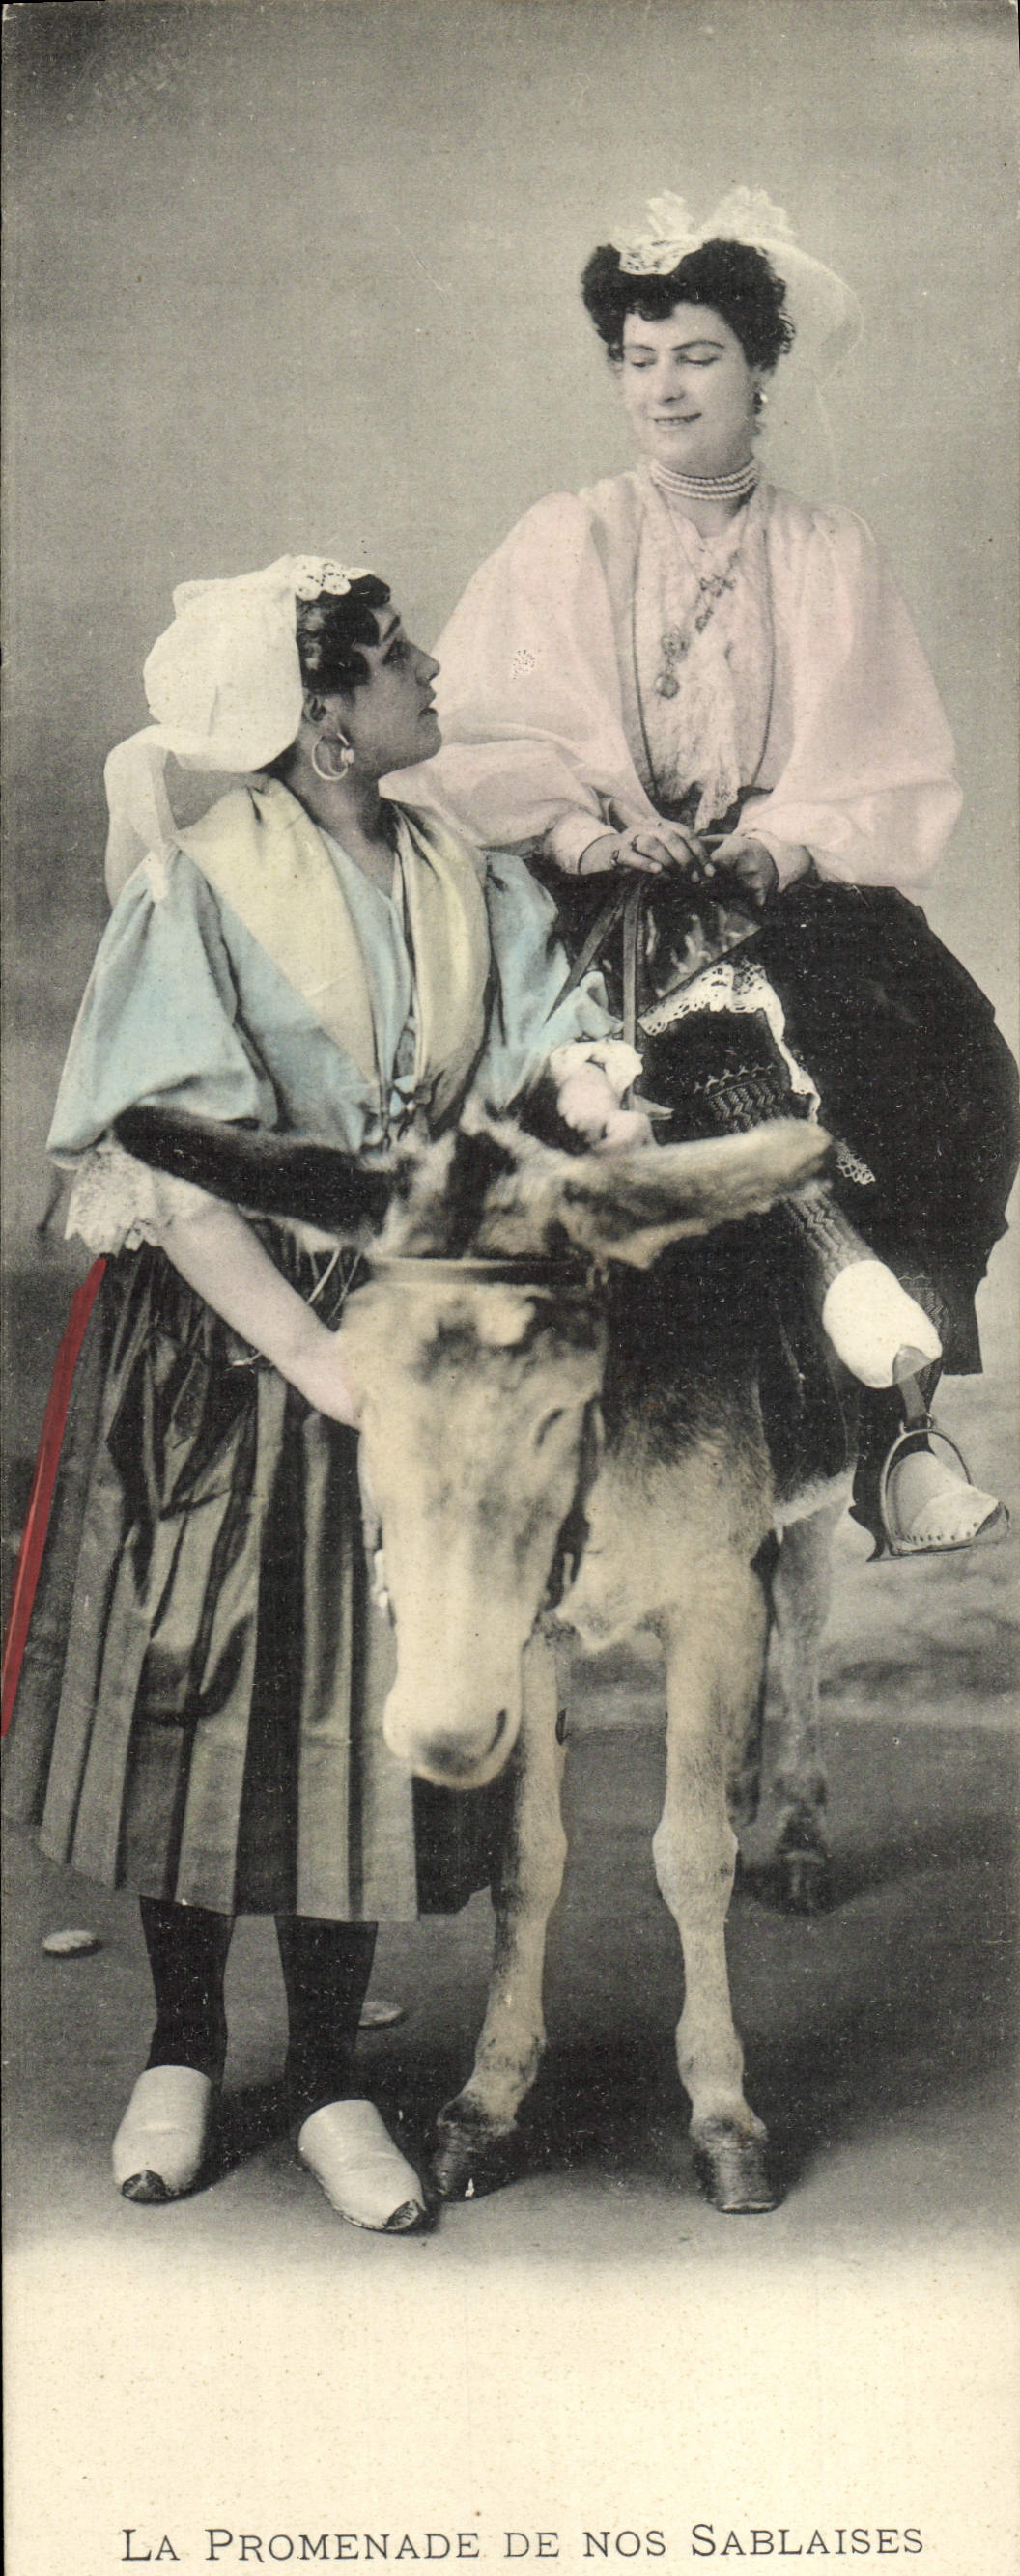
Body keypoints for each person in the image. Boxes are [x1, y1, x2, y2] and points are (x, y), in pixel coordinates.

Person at [4, 554, 638, 2229]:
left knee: (361, 1698)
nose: (432, 672)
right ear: (329, 722)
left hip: (409, 1336)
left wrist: (586, 1097)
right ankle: (183, 2043)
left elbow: (551, 1046)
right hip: (234, 1348)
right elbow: (172, 1167)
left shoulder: (456, 868)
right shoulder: (206, 885)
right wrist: (311, 1352)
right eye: (397, 658)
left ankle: (338, 2079)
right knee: (202, 1687)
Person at [399, 187, 1018, 1553]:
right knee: (593, 1093)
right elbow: (487, 735)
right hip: (596, 894)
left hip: (779, 892)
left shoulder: (828, 550)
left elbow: (881, 751)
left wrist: (776, 842)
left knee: (951, 1067)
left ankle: (896, 1431)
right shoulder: (567, 537)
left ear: (761, 368)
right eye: (639, 360)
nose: (665, 388)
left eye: (697, 355)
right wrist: (590, 831)